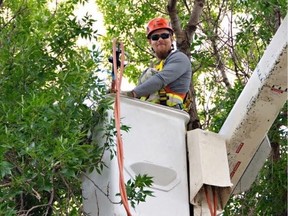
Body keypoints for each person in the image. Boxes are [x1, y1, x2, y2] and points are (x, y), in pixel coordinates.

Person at [124, 17, 192, 110]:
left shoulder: (180, 58)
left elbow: (160, 80)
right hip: (149, 114)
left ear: (171, 38)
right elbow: (138, 94)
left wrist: (131, 94)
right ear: (150, 42)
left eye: (164, 36)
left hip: (169, 116)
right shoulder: (156, 68)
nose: (160, 39)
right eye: (155, 37)